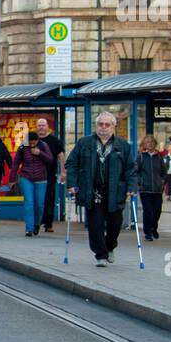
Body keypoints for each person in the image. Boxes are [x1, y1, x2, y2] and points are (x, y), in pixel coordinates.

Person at [65, 111, 138, 267]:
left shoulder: (123, 146)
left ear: (113, 127)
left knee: (114, 224)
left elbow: (131, 169)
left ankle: (110, 246)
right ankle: (101, 255)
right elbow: (71, 163)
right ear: (96, 125)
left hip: (115, 192)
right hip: (93, 191)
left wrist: (131, 187)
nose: (103, 127)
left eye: (107, 124)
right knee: (95, 225)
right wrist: (72, 183)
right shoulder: (84, 143)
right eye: (100, 124)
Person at [11, 130, 54, 236]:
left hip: (41, 178)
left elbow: (51, 160)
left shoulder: (44, 146)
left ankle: (37, 224)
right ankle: (29, 228)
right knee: (29, 203)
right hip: (26, 177)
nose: (31, 145)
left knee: (39, 204)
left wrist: (40, 153)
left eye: (33, 143)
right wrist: (12, 179)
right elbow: (16, 163)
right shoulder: (22, 147)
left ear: (37, 140)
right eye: (29, 142)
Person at [36, 117, 65, 233]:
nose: (41, 127)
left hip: (49, 174)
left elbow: (61, 155)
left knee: (49, 198)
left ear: (47, 126)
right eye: (39, 125)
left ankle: (48, 223)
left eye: (43, 125)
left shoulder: (54, 140)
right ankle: (36, 222)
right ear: (36, 127)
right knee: (37, 199)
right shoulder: (33, 139)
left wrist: (63, 171)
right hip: (35, 175)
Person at [136, 135, 165, 242]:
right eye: (147, 142)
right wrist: (140, 182)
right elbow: (136, 171)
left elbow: (163, 171)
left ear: (155, 143)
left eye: (151, 142)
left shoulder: (159, 157)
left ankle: (154, 228)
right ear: (144, 145)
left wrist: (162, 181)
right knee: (148, 211)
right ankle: (147, 232)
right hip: (145, 189)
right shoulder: (141, 157)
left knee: (157, 211)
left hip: (157, 189)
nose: (150, 144)